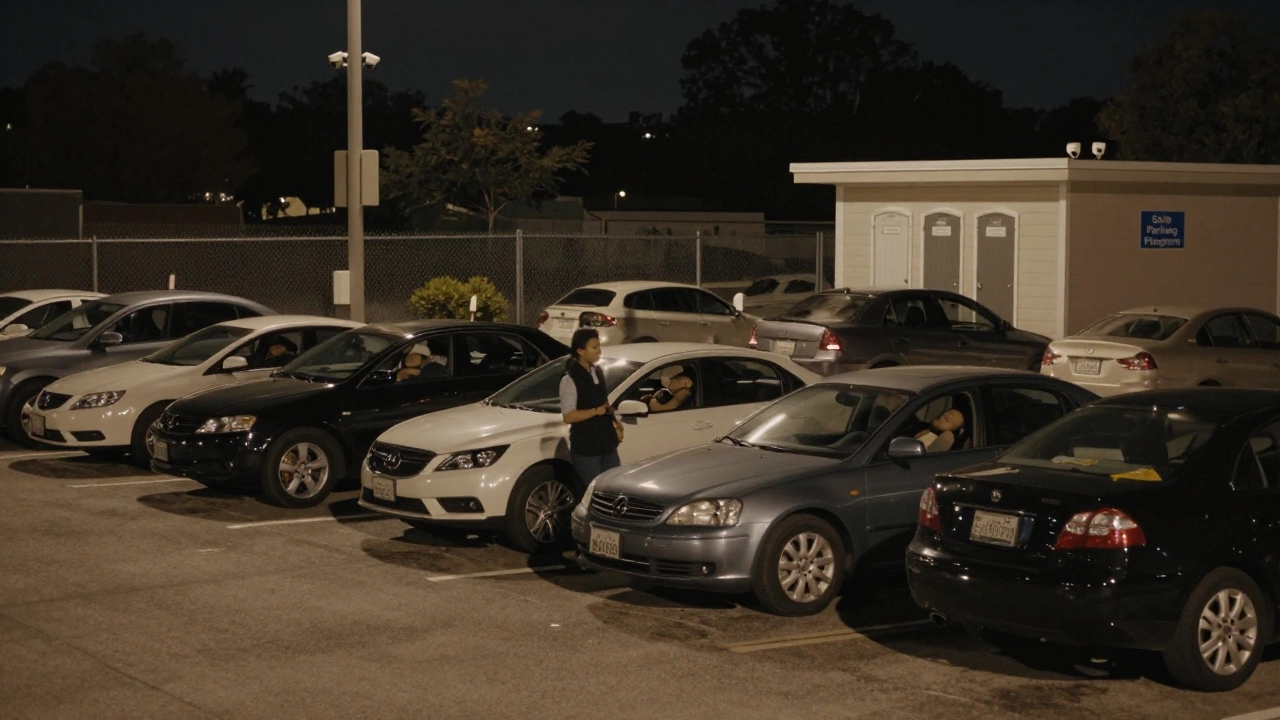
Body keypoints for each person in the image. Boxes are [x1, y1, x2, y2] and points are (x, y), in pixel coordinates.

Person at [560, 328, 624, 483]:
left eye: (599, 346)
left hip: (607, 443)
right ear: (580, 351)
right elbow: (569, 416)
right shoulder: (570, 379)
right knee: (593, 490)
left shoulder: (598, 372)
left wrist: (615, 422)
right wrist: (596, 411)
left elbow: (604, 401)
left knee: (613, 486)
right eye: (594, 347)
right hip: (587, 448)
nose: (599, 351)